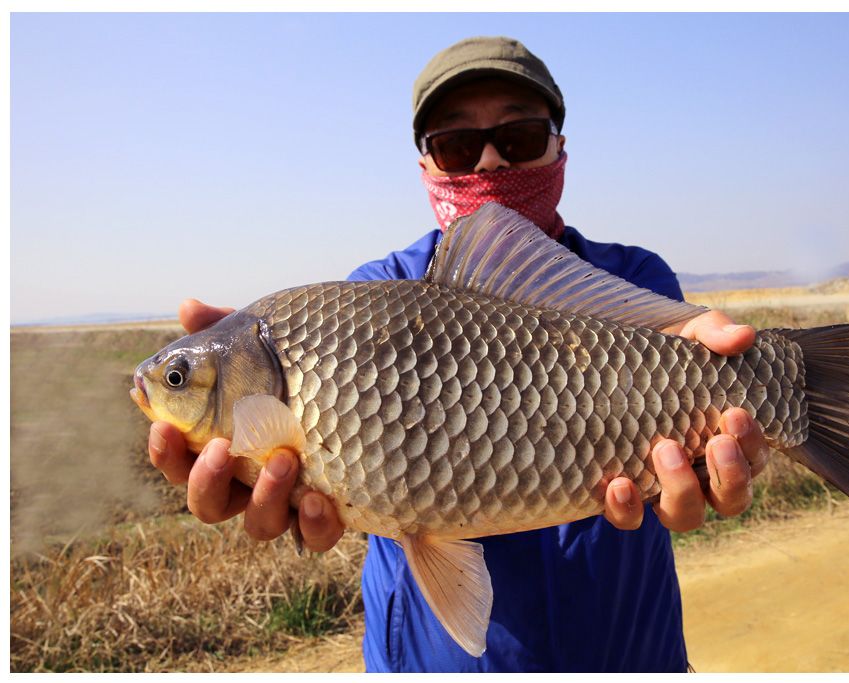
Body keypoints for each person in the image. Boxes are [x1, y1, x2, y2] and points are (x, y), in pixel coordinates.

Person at [148, 36, 769, 672]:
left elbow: (701, 447)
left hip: (625, 647)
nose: (492, 162)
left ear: (561, 148)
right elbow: (305, 478)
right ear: (427, 167)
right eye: (457, 146)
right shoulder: (371, 292)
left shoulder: (636, 280)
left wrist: (721, 453)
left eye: (521, 137)